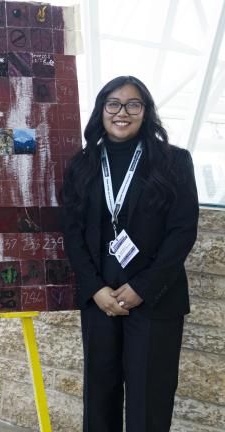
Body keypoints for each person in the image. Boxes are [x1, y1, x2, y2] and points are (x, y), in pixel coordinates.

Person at [60, 76, 199, 431]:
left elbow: (182, 232)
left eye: (133, 104)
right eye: (114, 104)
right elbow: (72, 233)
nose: (122, 112)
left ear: (146, 112)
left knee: (149, 399)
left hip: (155, 301)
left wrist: (143, 288)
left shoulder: (174, 162)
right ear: (101, 110)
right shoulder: (82, 165)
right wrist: (94, 288)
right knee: (100, 397)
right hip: (100, 299)